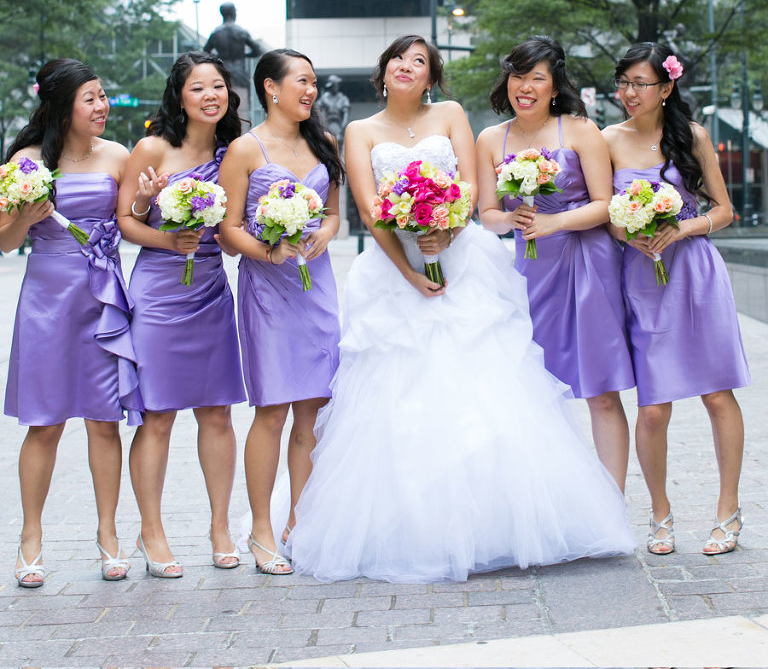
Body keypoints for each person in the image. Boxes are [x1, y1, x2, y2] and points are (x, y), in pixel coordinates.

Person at [286, 35, 635, 583]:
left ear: (432, 77)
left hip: (462, 261)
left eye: (419, 61)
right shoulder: (360, 130)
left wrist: (446, 232)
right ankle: (412, 528)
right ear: (384, 71)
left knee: (485, 385)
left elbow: (472, 190)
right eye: (398, 59)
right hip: (394, 271)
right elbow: (369, 210)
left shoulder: (450, 114)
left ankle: (495, 523)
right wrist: (409, 270)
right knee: (398, 395)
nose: (406, 67)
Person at [604, 42, 750, 556]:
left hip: (697, 274)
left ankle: (728, 511)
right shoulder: (608, 140)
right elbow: (605, 213)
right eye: (623, 83)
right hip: (642, 278)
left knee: (717, 394)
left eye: (640, 84)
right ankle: (660, 513)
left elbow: (724, 210)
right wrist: (630, 233)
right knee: (652, 409)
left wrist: (682, 228)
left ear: (666, 87)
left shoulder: (695, 137)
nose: (629, 93)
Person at [1, 59, 140, 587]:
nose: (102, 106)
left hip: (102, 297)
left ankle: (108, 534)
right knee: (45, 423)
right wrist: (24, 218)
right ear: (63, 107)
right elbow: (5, 242)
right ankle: (30, 537)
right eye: (91, 98)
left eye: (103, 96)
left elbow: (131, 221)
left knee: (104, 421)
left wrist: (148, 199)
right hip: (47, 300)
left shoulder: (119, 155)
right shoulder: (26, 161)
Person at [476, 37, 634, 489]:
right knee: (538, 388)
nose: (525, 87)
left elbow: (605, 204)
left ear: (554, 86)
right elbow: (487, 215)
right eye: (518, 76)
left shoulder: (580, 130)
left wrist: (556, 222)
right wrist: (511, 218)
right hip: (531, 271)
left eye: (536, 78)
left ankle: (612, 502)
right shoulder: (490, 138)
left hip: (589, 265)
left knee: (601, 391)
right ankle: (553, 498)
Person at [117, 52, 246, 578]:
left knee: (217, 412)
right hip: (158, 292)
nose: (210, 96)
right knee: (158, 414)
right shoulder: (152, 147)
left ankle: (220, 528)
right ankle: (151, 531)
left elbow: (234, 231)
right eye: (198, 88)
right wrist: (165, 233)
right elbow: (127, 221)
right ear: (179, 96)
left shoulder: (234, 151)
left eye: (218, 86)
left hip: (211, 287)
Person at [218, 49, 342, 576]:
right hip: (267, 290)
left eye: (314, 82)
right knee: (272, 409)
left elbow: (334, 214)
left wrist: (323, 234)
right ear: (270, 87)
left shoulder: (325, 142)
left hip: (317, 286)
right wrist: (268, 253)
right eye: (302, 81)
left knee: (313, 408)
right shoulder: (245, 149)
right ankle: (261, 530)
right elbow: (227, 230)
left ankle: (299, 522)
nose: (311, 91)